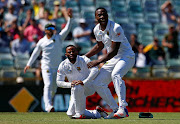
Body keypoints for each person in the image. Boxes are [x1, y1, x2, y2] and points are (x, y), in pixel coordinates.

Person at [85, 7, 135, 119]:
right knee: (97, 83)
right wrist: (84, 57)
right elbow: (99, 46)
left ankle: (123, 108)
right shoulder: (96, 29)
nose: (102, 16)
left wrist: (97, 61)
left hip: (126, 56)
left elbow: (113, 51)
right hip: (113, 59)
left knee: (115, 75)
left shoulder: (116, 28)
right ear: (96, 17)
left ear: (107, 15)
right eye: (99, 15)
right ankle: (115, 109)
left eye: (104, 14)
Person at [24, 8, 73, 112]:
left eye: (52, 28)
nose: (51, 30)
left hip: (57, 67)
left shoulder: (59, 37)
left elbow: (67, 28)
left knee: (54, 88)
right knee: (48, 85)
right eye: (49, 28)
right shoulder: (41, 41)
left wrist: (70, 18)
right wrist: (29, 64)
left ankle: (50, 102)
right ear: (45, 30)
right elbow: (35, 53)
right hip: (46, 66)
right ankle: (48, 106)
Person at [56, 45, 108, 119]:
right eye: (69, 52)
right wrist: (70, 84)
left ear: (77, 52)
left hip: (89, 86)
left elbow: (95, 70)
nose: (71, 53)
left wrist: (84, 82)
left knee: (77, 85)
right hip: (75, 89)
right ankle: (97, 113)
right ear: (66, 54)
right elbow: (58, 82)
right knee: (70, 114)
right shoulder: (63, 65)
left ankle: (79, 113)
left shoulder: (84, 59)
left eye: (73, 51)